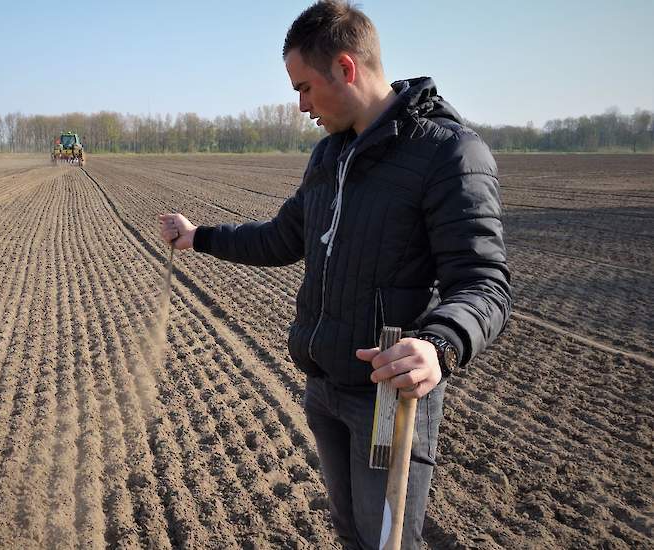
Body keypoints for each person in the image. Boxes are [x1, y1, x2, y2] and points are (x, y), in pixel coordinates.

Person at [157, 1, 511, 548]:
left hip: (386, 399)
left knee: (387, 540)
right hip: (323, 388)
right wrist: (198, 235)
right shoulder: (330, 155)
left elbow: (483, 282)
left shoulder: (448, 154)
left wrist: (439, 346)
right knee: (350, 532)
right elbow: (282, 237)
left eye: (304, 87)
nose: (300, 105)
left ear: (346, 69)